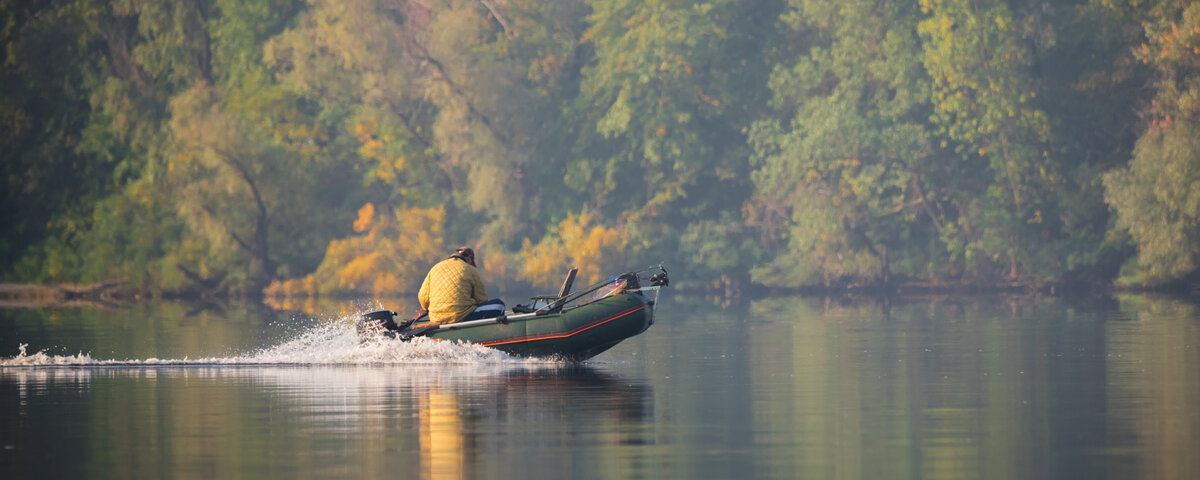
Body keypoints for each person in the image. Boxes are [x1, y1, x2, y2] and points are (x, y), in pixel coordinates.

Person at [417, 247, 505, 325]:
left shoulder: (435, 268)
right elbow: (482, 300)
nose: (471, 265)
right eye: (472, 263)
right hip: (460, 317)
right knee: (499, 304)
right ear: (469, 258)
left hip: (436, 319)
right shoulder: (470, 270)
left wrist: (427, 308)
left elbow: (422, 297)